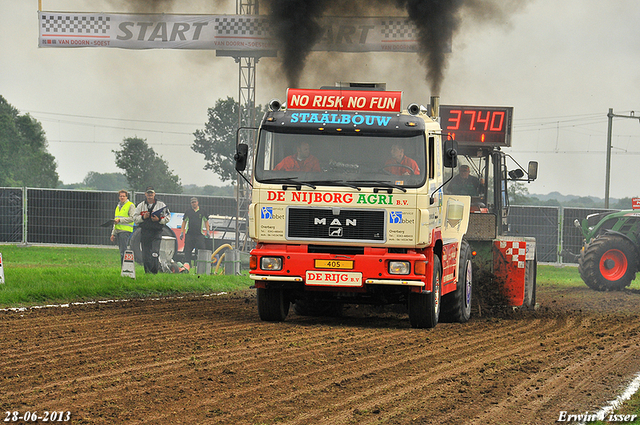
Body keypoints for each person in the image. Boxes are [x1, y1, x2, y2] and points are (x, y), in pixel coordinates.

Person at [133, 186, 170, 274]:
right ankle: (147, 272)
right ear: (145, 194)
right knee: (145, 254)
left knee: (155, 252)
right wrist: (143, 217)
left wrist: (159, 220)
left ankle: (154, 272)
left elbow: (168, 217)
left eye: (151, 193)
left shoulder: (161, 205)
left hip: (156, 232)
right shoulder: (141, 205)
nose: (150, 195)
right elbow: (135, 218)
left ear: (154, 194)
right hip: (145, 232)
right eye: (148, 194)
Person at [180, 197, 211, 267]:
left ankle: (199, 265)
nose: (194, 204)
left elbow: (206, 221)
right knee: (187, 251)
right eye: (192, 202)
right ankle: (187, 266)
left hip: (199, 235)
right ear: (191, 204)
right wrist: (182, 232)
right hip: (189, 234)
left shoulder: (202, 211)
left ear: (197, 202)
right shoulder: (188, 211)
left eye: (195, 202)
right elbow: (184, 222)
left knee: (200, 250)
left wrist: (207, 231)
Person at [110, 189, 135, 265]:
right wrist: (113, 233)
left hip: (125, 230)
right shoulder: (118, 207)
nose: (122, 197)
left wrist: (120, 220)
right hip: (118, 231)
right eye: (120, 196)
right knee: (121, 251)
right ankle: (124, 268)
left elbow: (132, 218)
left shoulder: (130, 205)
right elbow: (115, 221)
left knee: (123, 251)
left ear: (127, 197)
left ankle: (125, 267)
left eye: (123, 196)